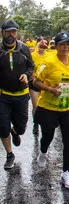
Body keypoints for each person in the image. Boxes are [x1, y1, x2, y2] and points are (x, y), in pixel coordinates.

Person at [33, 32, 69, 189]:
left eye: (68, 44)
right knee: (48, 136)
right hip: (49, 107)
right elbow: (35, 81)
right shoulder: (47, 62)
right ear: (55, 46)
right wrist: (50, 89)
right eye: (62, 44)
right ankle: (43, 152)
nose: (66, 47)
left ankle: (66, 173)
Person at [0, 20, 34, 169]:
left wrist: (27, 75)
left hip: (21, 95)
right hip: (3, 96)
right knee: (2, 127)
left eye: (13, 32)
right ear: (2, 33)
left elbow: (31, 66)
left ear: (17, 33)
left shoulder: (24, 49)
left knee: (21, 127)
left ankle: (15, 131)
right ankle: (9, 155)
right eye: (7, 32)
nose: (10, 35)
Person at [30, 39, 50, 134]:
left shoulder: (49, 55)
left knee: (45, 106)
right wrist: (32, 75)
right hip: (34, 83)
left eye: (44, 47)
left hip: (45, 84)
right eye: (40, 46)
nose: (42, 48)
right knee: (36, 105)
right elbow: (29, 67)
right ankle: (36, 123)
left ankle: (46, 124)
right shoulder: (33, 55)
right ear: (37, 46)